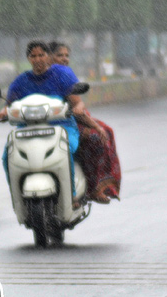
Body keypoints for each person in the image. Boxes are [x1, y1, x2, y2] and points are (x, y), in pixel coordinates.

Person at [49, 40, 121, 203]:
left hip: (69, 117)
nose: (64, 59)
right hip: (62, 121)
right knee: (99, 136)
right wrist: (94, 126)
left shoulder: (59, 73)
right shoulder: (57, 74)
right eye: (59, 55)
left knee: (104, 131)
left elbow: (77, 105)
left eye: (66, 55)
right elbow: (76, 105)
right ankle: (94, 187)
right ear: (50, 56)